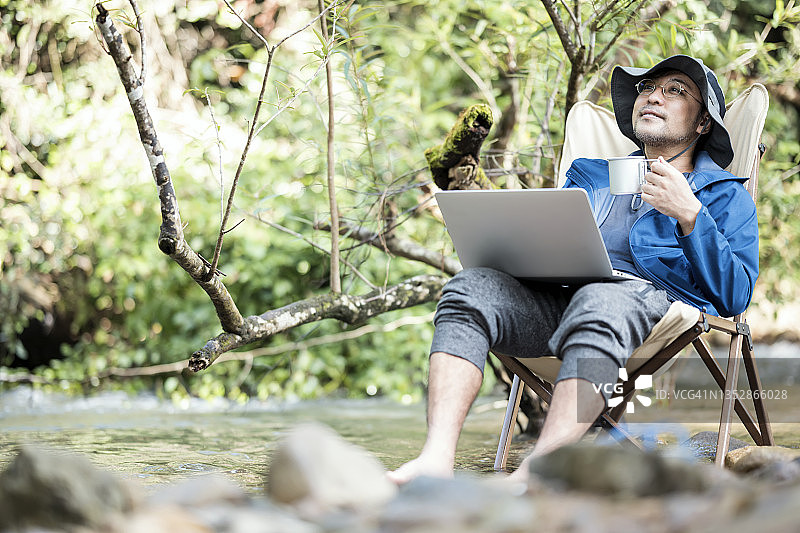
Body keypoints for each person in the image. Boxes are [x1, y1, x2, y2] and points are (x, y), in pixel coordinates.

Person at [387, 54, 759, 484]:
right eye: (648, 88)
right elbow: (555, 239)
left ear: (703, 124)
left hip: (649, 310)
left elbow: (735, 296)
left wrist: (691, 216)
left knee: (601, 299)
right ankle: (434, 460)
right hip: (563, 299)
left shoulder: (725, 196)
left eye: (675, 90)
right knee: (470, 289)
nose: (653, 96)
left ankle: (538, 471)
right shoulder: (591, 173)